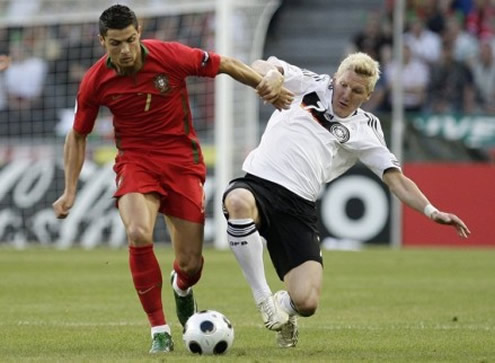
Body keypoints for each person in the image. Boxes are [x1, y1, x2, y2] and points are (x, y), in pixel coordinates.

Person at [52, 4, 293, 354]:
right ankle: (159, 330)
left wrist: (263, 84)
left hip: (182, 164)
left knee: (191, 264)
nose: (125, 50)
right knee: (138, 233)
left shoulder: (170, 56)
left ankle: (181, 286)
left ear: (140, 31)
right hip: (136, 163)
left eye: (131, 40)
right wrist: (69, 189)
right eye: (116, 43)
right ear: (102, 41)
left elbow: (224, 63)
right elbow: (77, 134)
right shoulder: (94, 81)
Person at [222, 52, 471, 348]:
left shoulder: (366, 130)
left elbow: (396, 180)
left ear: (368, 95)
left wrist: (431, 211)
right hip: (259, 183)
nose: (346, 93)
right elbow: (262, 66)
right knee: (237, 201)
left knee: (308, 302)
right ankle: (263, 298)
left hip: (299, 206)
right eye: (343, 85)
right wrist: (273, 75)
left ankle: (284, 307)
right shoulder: (312, 84)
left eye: (356, 91)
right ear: (335, 79)